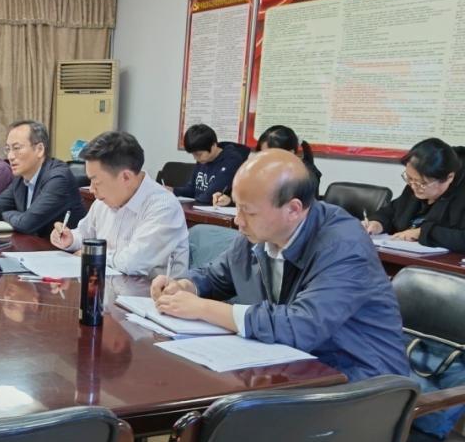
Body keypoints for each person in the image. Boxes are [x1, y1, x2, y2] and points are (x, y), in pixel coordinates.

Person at [151, 149, 409, 382]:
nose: (238, 220)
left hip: (361, 381)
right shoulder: (258, 234)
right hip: (293, 367)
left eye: (249, 211)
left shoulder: (344, 245)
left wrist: (202, 308)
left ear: (293, 209)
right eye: (237, 207)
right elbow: (218, 275)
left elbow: (301, 326)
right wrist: (186, 286)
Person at [51, 131, 188, 278]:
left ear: (126, 177)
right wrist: (70, 239)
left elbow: (132, 263)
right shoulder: (103, 202)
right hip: (109, 285)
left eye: (96, 182)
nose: (91, 189)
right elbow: (85, 234)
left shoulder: (163, 207)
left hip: (148, 291)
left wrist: (90, 255)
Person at [0, 120, 85, 236]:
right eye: (8, 149)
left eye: (16, 148)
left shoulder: (58, 179)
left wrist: (4, 214)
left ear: (39, 149)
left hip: (62, 248)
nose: (10, 156)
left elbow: (27, 224)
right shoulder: (21, 179)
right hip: (35, 245)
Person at [364, 138, 465, 252]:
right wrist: (377, 223)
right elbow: (392, 211)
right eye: (409, 178)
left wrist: (422, 233)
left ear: (449, 177)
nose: (413, 186)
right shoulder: (414, 184)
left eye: (422, 183)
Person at [213, 125, 321, 207]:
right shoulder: (263, 169)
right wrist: (229, 199)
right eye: (262, 154)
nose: (265, 159)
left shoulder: (306, 175)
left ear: (290, 152)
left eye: (271, 154)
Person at [171, 124, 249, 204]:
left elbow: (210, 196)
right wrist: (172, 190)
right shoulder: (203, 159)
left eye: (199, 154)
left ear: (213, 146)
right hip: (198, 207)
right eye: (193, 154)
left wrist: (192, 204)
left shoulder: (232, 160)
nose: (195, 158)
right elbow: (192, 190)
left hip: (214, 209)